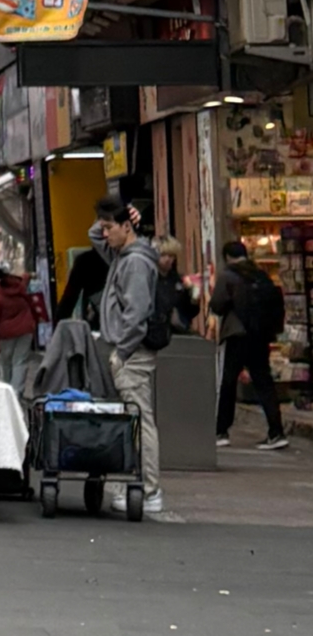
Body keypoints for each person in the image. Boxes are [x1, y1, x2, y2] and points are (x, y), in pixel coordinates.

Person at [92, 200, 164, 514]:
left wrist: (121, 353)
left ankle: (149, 490)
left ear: (127, 227)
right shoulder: (122, 254)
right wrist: (112, 217)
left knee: (138, 418)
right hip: (127, 349)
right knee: (131, 419)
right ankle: (135, 487)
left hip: (131, 352)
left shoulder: (134, 262)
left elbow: (136, 313)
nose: (104, 233)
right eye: (104, 227)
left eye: (110, 227)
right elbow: (93, 235)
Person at [210, 237, 290, 450]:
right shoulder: (260, 274)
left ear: (227, 257)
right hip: (260, 335)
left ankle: (221, 431)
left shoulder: (228, 276)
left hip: (237, 334)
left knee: (228, 382)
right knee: (264, 383)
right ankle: (277, 431)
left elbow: (216, 305)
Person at [0, 259, 45, 387]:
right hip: (26, 329)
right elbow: (25, 278)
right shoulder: (20, 286)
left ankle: (7, 388)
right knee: (20, 361)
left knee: (6, 362)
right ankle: (17, 392)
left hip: (6, 334)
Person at [155, 235, 196, 333]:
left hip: (177, 332)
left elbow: (189, 312)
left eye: (171, 256)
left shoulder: (179, 280)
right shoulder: (149, 279)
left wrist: (193, 299)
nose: (168, 259)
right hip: (156, 332)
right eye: (163, 255)